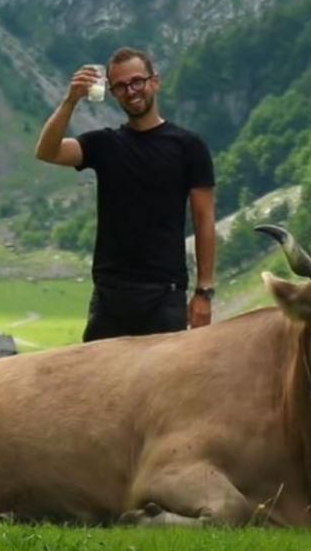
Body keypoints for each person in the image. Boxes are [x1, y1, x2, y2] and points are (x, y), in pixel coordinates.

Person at [35, 47, 216, 342]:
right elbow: (47, 151)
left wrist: (204, 293)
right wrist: (71, 100)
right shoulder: (105, 144)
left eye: (137, 82)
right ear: (112, 93)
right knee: (97, 387)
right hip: (110, 295)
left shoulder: (189, 146)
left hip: (164, 293)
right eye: (120, 86)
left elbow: (204, 220)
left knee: (162, 387)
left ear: (154, 82)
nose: (131, 91)